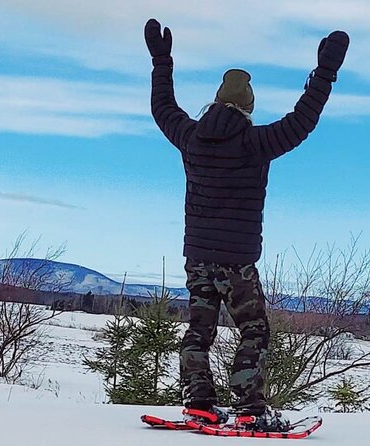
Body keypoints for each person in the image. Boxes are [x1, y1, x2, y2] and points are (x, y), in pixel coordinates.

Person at [143, 18, 349, 432]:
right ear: (247, 108)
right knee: (253, 329)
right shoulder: (257, 143)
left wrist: (161, 62)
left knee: (199, 329)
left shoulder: (191, 137)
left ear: (216, 102)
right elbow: (302, 120)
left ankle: (199, 402)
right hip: (237, 260)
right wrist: (324, 73)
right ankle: (250, 407)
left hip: (197, 256)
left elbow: (163, 109)